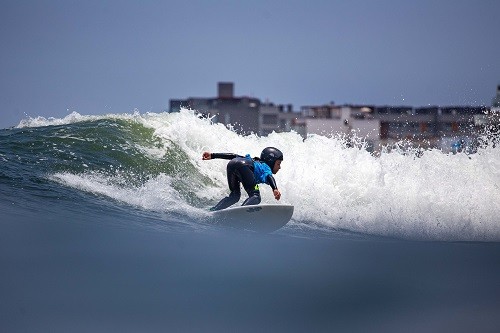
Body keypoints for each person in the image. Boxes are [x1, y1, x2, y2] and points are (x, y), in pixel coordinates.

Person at [202, 147, 283, 211]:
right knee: (255, 196)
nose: (279, 167)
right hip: (244, 166)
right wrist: (274, 188)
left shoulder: (253, 160)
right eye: (278, 164)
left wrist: (213, 155)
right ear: (271, 162)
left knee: (234, 196)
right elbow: (269, 177)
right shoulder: (266, 167)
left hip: (232, 164)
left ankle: (214, 210)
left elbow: (234, 156)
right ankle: (242, 212)